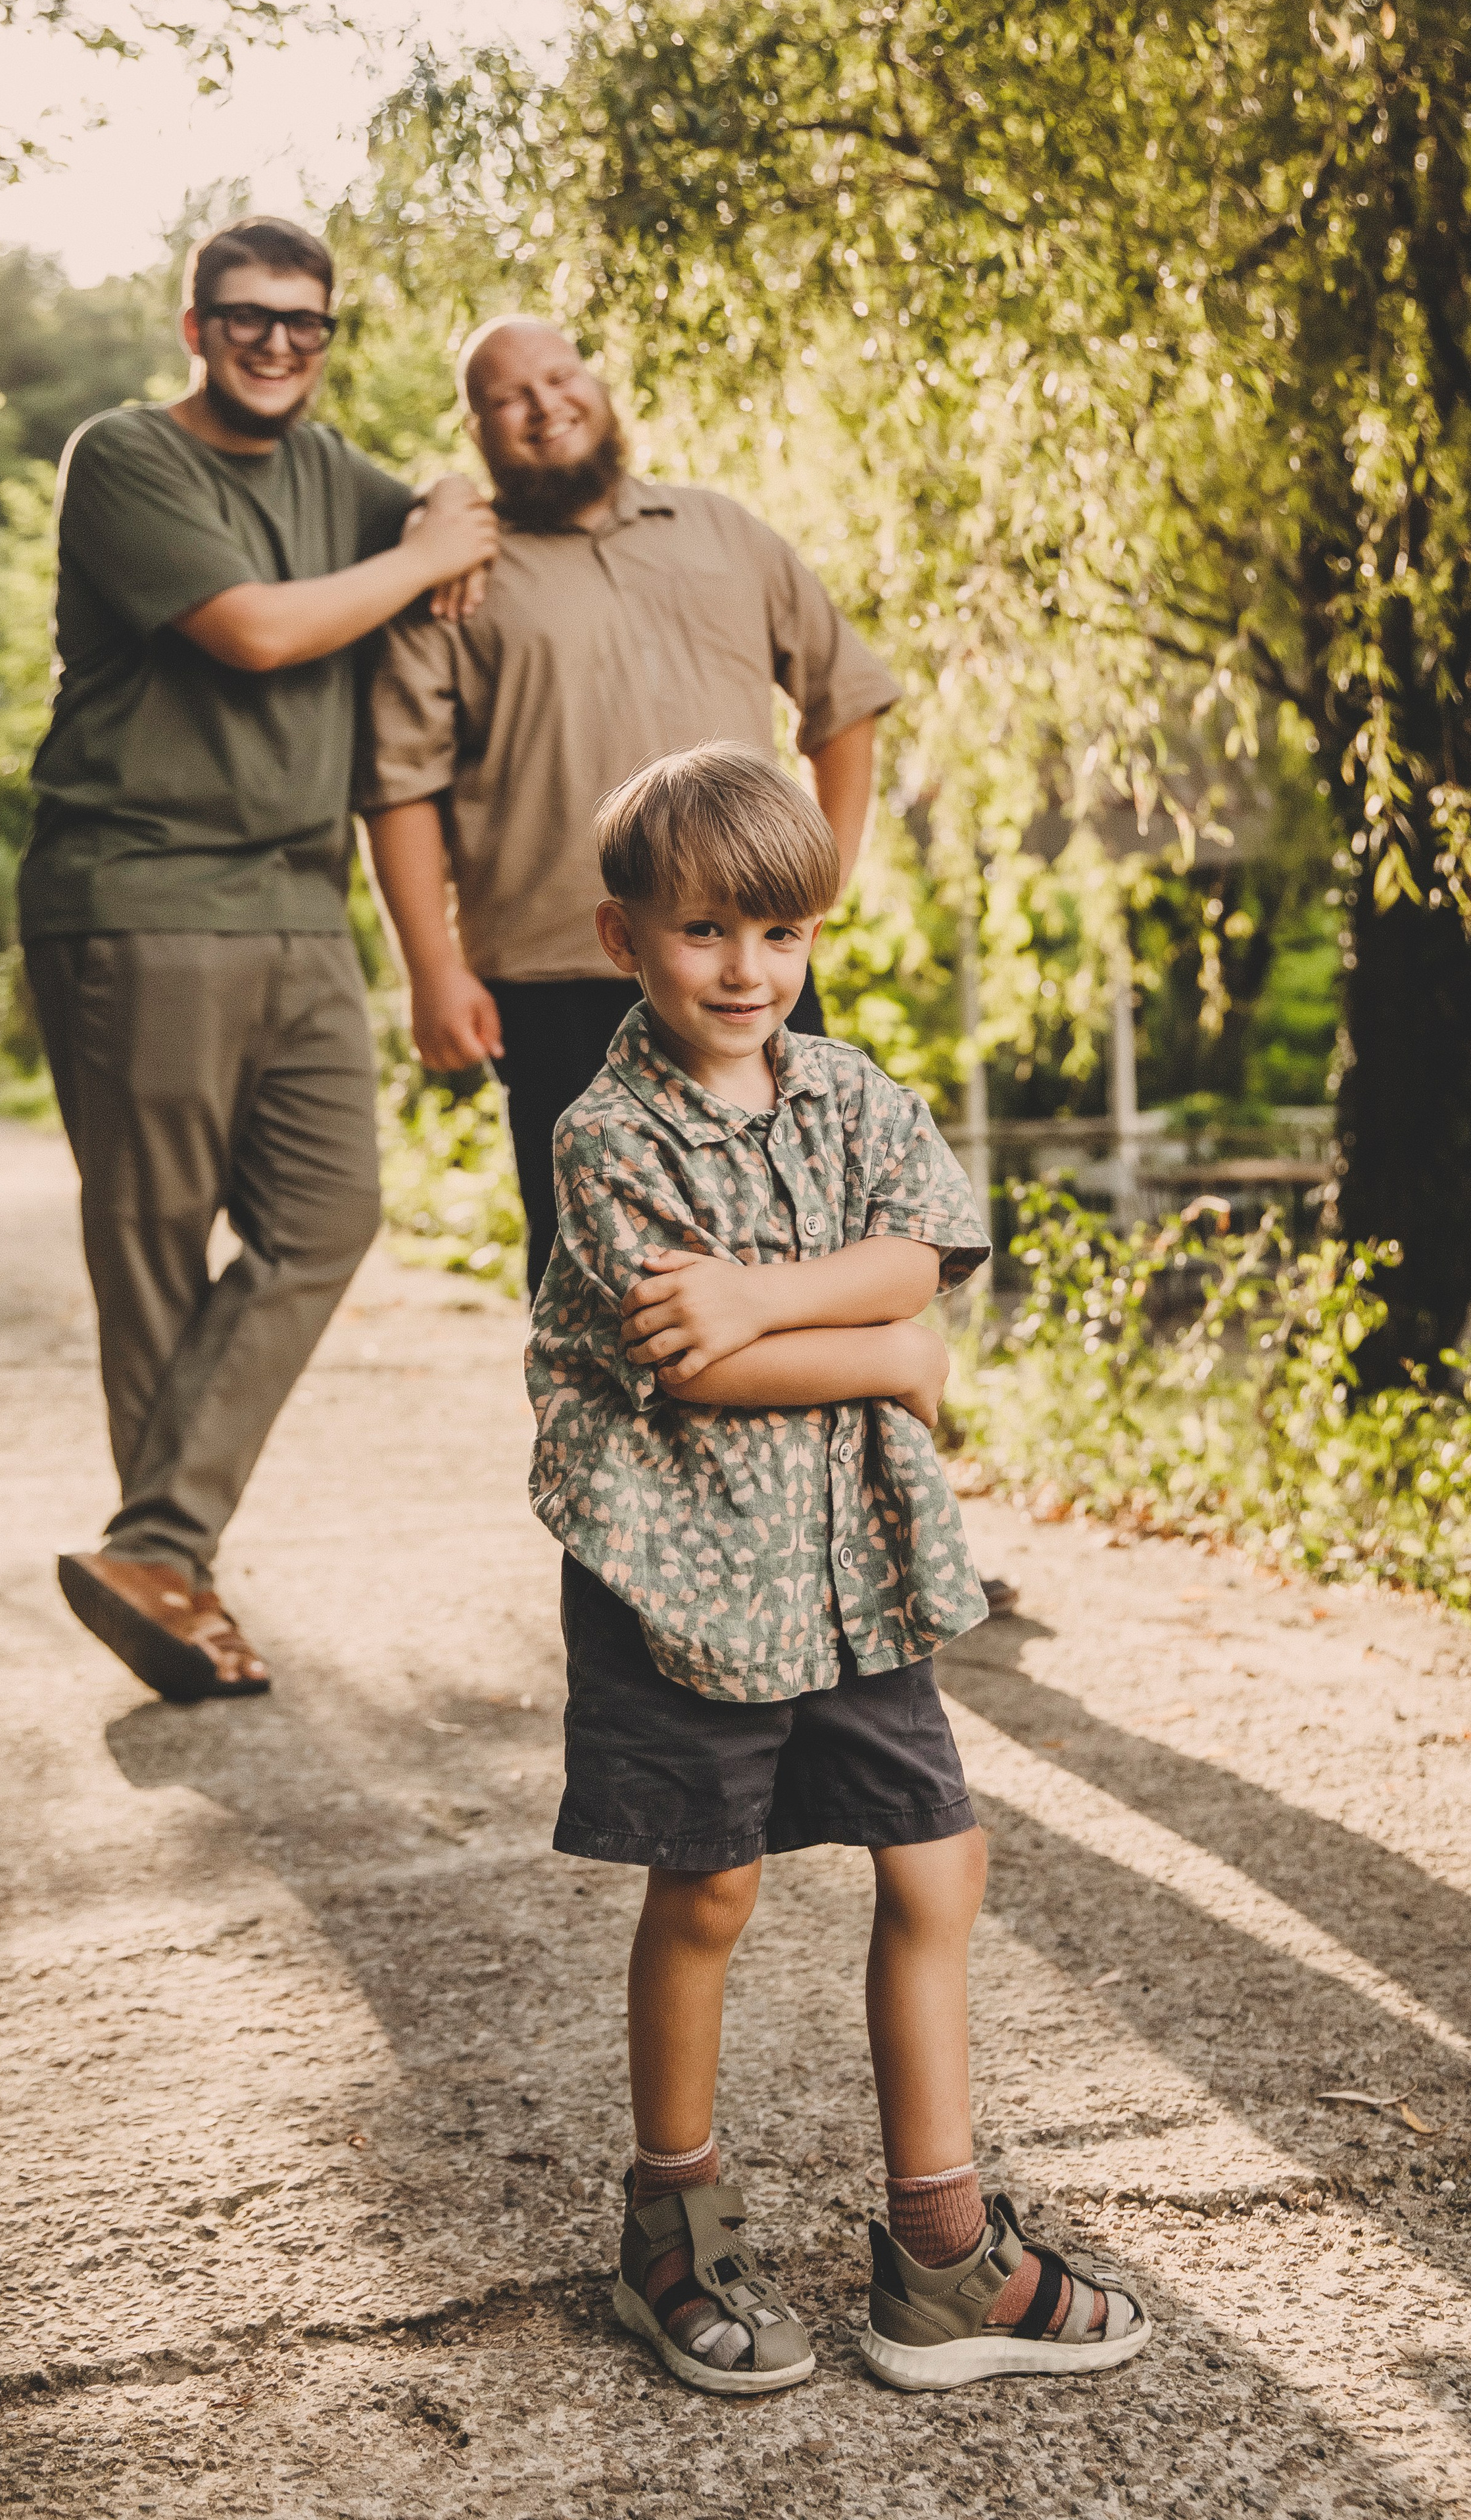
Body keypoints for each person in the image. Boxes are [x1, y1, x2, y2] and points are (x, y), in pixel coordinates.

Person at [524, 744, 1148, 2396]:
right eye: (706, 933)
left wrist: (770, 1299)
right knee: (710, 1886)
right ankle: (671, 2225)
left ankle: (938, 2257)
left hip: (850, 1562)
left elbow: (919, 1259)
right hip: (679, 1571)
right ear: (623, 939)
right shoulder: (604, 1138)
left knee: (937, 1866)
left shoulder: (857, 1093)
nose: (747, 971)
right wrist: (883, 1353)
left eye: (781, 934)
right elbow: (704, 1369)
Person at [362, 314, 1019, 1619]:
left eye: (559, 379)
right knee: (619, 1297)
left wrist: (811, 887)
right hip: (555, 978)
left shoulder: (728, 534)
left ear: (601, 385)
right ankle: (644, 1564)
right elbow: (401, 783)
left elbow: (845, 697)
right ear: (478, 431)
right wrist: (431, 969)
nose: (543, 409)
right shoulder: (460, 576)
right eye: (505, 400)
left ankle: (897, 1534)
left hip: (750, 975)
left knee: (811, 1258)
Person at [19, 214, 498, 1705]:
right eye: (248, 316)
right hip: (138, 892)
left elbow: (437, 501)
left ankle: (154, 1545)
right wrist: (423, 549)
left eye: (306, 321)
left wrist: (443, 496)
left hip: (299, 904)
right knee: (151, 1245)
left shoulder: (328, 470)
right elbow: (257, 633)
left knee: (331, 1212)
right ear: (194, 324)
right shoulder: (126, 456)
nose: (278, 342)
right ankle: (175, 1576)